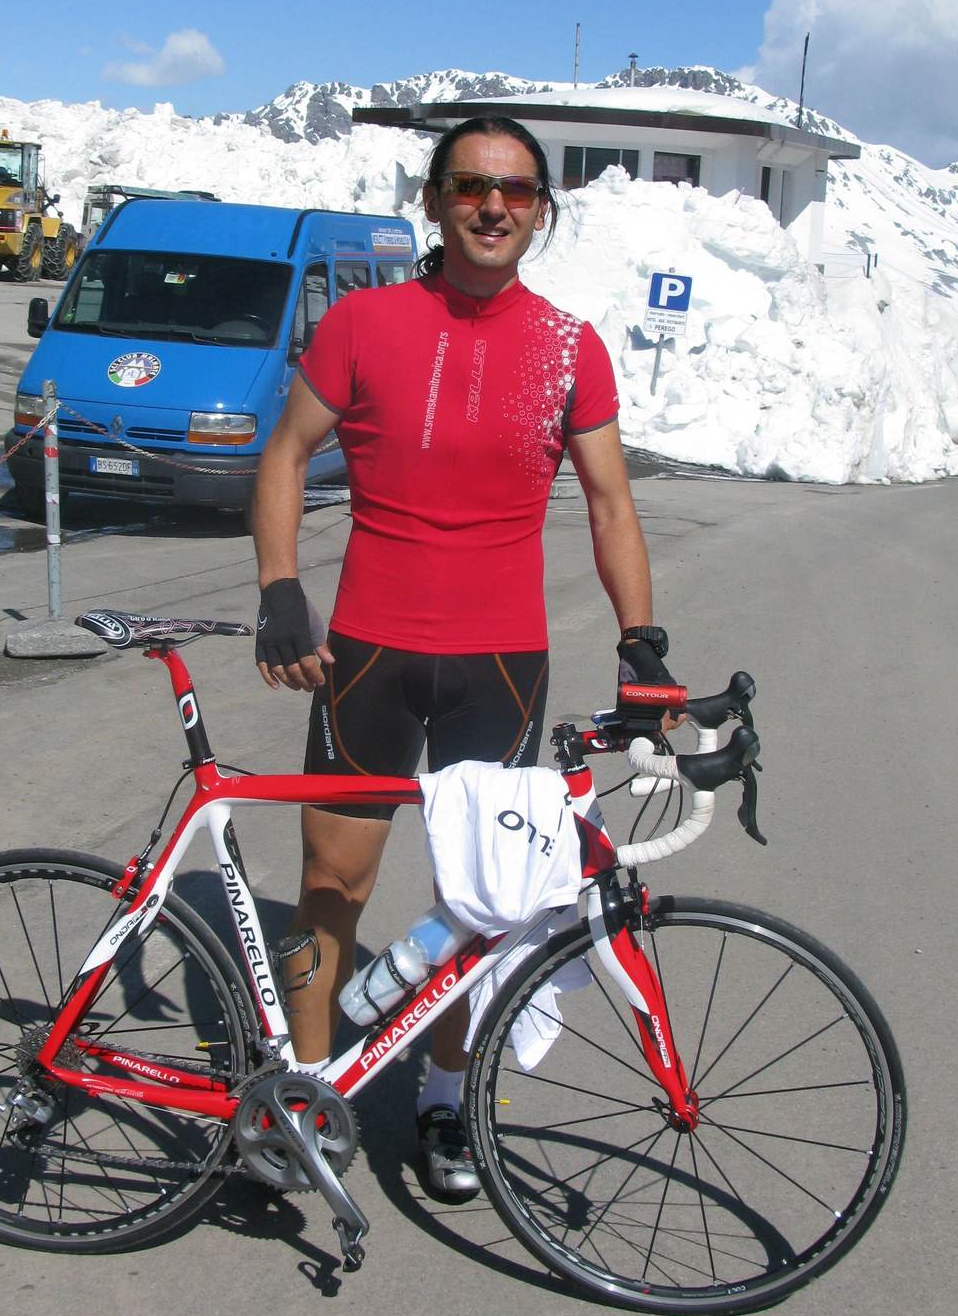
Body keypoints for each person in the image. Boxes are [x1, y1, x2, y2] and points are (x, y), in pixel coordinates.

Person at [251, 114, 672, 1199]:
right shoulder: (363, 322)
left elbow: (611, 503)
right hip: (367, 656)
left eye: (516, 190)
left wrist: (642, 645)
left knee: (484, 903)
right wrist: (281, 589)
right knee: (330, 884)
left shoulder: (569, 347)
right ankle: (308, 1091)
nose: (494, 206)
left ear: (541, 210)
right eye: (472, 186)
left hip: (500, 664)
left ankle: (446, 1099)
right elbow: (285, 454)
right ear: (435, 200)